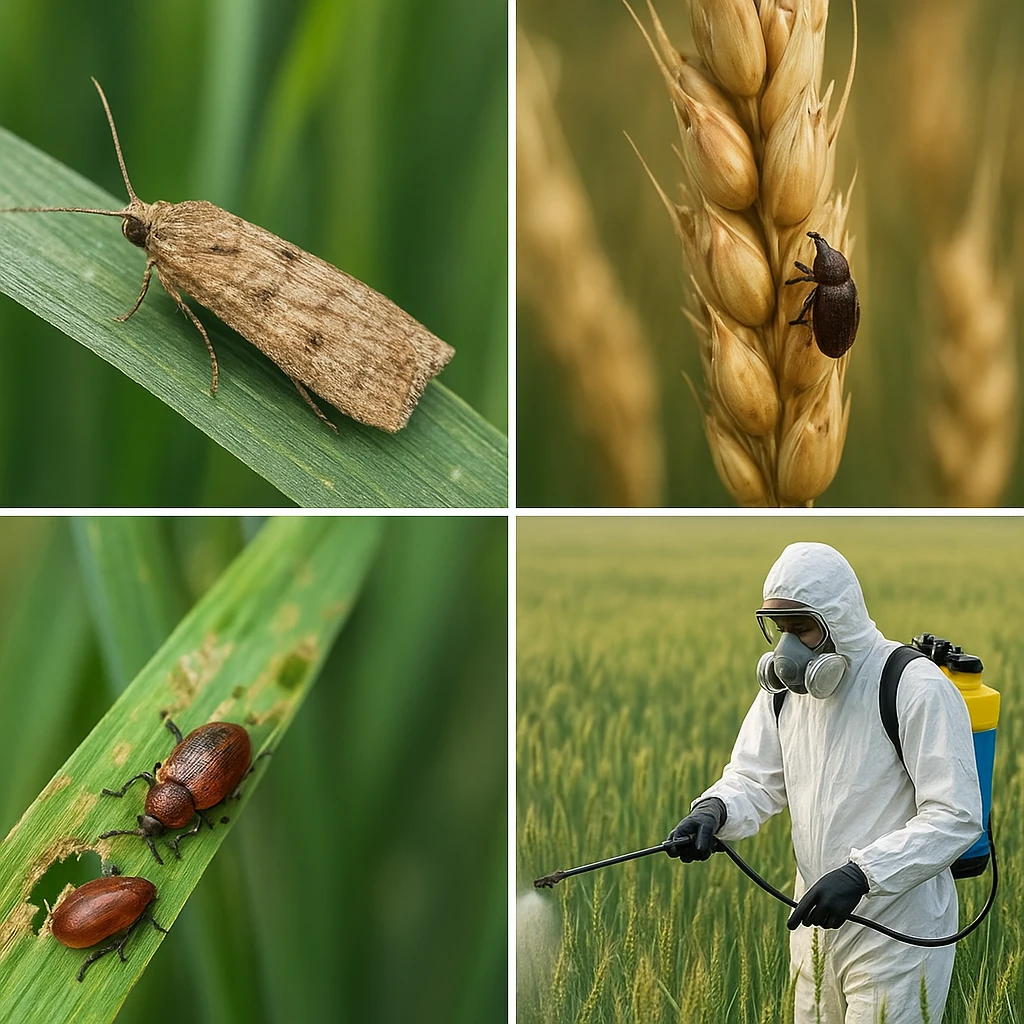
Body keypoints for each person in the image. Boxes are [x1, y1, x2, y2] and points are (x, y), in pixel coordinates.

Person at [665, 542, 983, 1024]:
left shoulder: (911, 685)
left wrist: (863, 875)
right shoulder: (783, 693)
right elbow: (754, 778)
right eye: (780, 629)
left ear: (841, 618)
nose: (787, 647)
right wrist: (714, 811)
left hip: (897, 935)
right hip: (813, 924)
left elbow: (956, 817)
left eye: (802, 628)